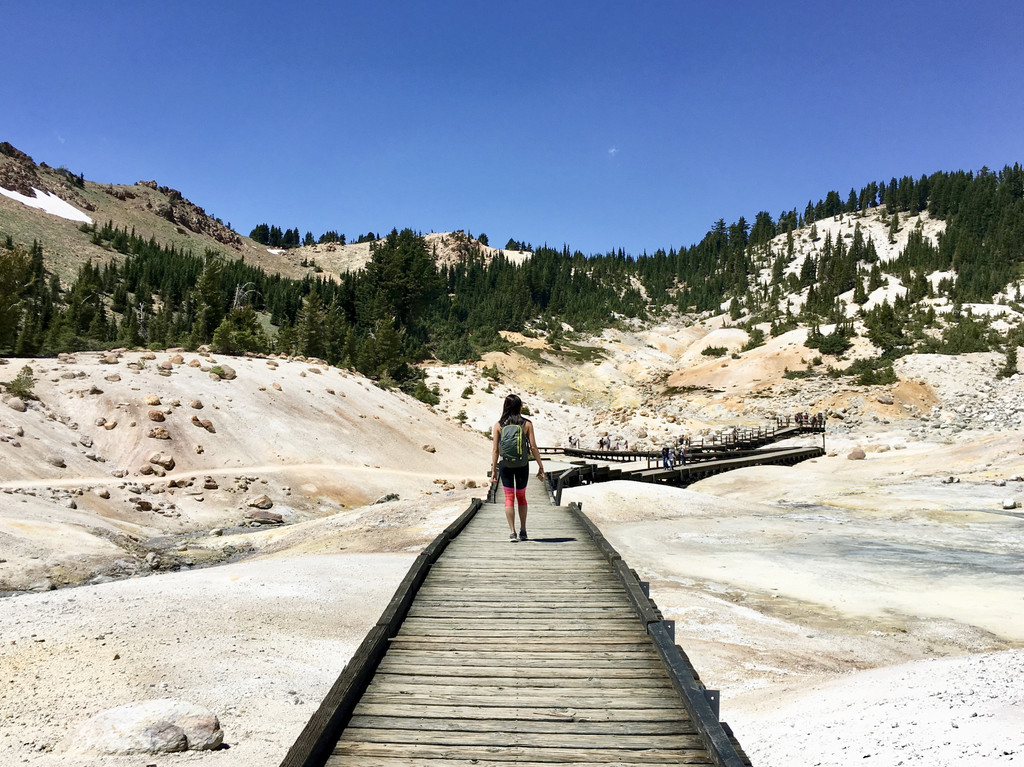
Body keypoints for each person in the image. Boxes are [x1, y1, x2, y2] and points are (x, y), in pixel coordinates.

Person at [491, 394, 546, 542]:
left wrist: (493, 471)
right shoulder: (527, 424)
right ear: (520, 406)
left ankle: (512, 532)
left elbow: (495, 450)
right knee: (521, 497)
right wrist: (540, 466)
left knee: (509, 498)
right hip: (522, 464)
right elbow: (533, 447)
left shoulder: (498, 425)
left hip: (505, 464)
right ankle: (523, 530)